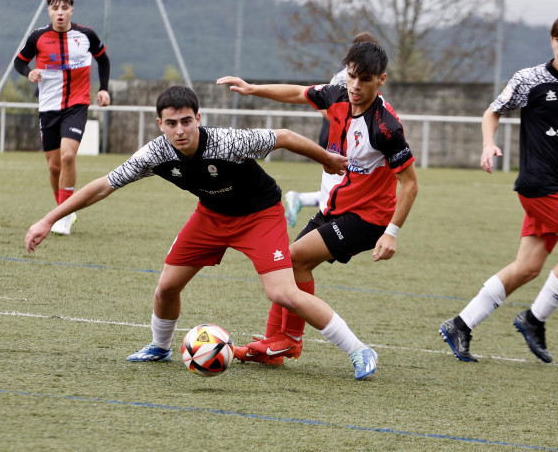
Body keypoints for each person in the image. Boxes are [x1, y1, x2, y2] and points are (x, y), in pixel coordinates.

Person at [25, 85, 379, 380]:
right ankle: (161, 347)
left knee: (283, 292)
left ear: (198, 118)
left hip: (259, 215)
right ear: (160, 124)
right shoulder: (155, 153)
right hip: (210, 216)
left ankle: (359, 351)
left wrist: (326, 159)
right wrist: (47, 219)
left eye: (186, 121)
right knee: (166, 286)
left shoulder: (227, 143)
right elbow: (104, 186)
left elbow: (284, 137)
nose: (179, 130)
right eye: (171, 123)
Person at [438, 11, 558, 363]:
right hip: (538, 185)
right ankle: (534, 318)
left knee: (527, 267)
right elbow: (492, 111)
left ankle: (460, 325)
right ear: (552, 41)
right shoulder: (530, 79)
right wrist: (487, 144)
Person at [217, 40, 418, 366]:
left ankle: (291, 340)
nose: (355, 85)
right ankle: (274, 346)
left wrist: (391, 232)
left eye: (365, 79)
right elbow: (298, 93)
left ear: (380, 80)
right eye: (352, 75)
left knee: (294, 259)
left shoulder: (387, 127)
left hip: (369, 218)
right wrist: (252, 89)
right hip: (337, 208)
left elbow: (410, 184)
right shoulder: (338, 95)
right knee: (286, 266)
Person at [14, 0, 111, 236]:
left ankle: (65, 216)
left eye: (64, 8)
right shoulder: (38, 37)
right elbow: (19, 62)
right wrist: (29, 73)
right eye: (55, 8)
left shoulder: (86, 35)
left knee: (68, 156)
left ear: (71, 10)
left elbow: (104, 60)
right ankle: (64, 208)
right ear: (49, 11)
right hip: (48, 107)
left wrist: (103, 89)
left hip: (76, 105)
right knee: (54, 166)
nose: (60, 13)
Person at [284, 32, 380, 228]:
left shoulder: (354, 73)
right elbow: (323, 104)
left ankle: (303, 202)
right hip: (340, 135)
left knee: (350, 183)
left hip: (349, 133)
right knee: (346, 185)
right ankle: (321, 222)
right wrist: (345, 122)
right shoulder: (344, 76)